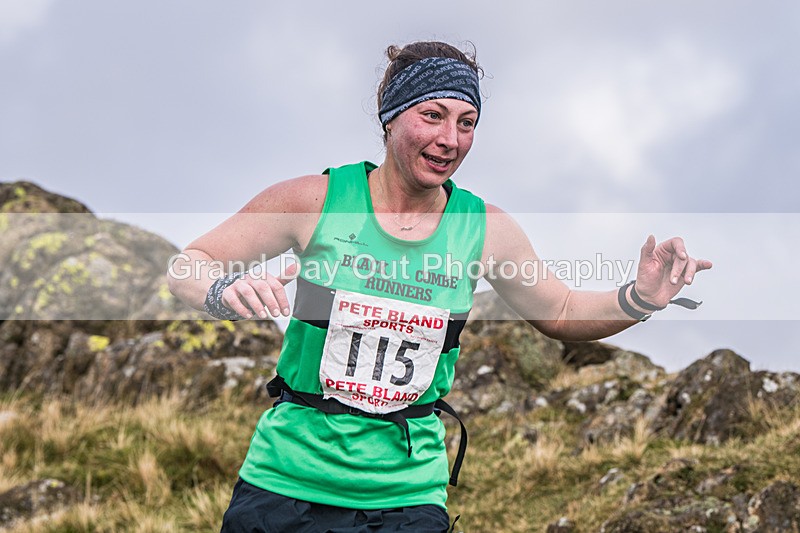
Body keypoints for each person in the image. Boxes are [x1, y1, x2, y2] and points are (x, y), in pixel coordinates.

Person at [167, 40, 712, 533]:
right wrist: (222, 291)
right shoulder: (314, 201)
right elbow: (188, 266)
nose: (450, 139)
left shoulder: (484, 228)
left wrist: (641, 297)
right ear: (390, 118)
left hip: (407, 497)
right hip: (284, 485)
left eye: (466, 122)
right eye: (433, 115)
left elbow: (562, 311)